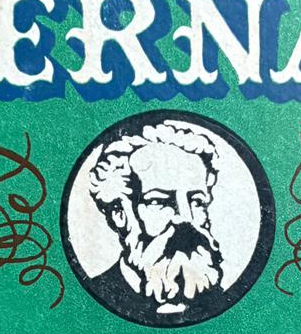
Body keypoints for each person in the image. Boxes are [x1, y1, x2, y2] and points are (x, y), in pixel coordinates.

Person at [85, 118, 228, 320]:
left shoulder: (225, 302)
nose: (185, 218)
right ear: (119, 213)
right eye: (159, 201)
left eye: (196, 201)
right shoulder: (93, 300)